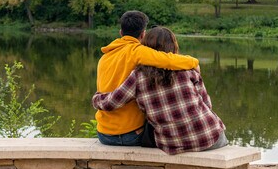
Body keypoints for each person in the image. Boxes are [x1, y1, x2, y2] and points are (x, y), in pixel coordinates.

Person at [93, 26, 227, 155]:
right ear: (174, 46)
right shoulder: (188, 70)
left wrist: (96, 98)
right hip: (210, 137)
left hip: (171, 144)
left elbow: (111, 103)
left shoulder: (138, 76)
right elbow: (207, 105)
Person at [95, 11, 200, 146]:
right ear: (143, 34)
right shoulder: (138, 52)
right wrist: (194, 62)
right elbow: (168, 59)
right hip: (130, 135)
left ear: (121, 32)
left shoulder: (104, 57)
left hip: (103, 133)